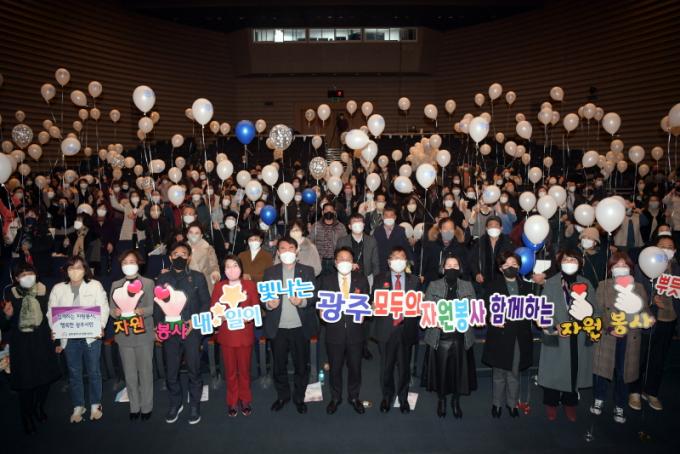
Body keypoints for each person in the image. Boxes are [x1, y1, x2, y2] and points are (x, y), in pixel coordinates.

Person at [154, 241, 211, 425]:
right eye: (176, 254)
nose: (180, 257)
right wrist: (157, 327)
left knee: (194, 370)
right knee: (171, 371)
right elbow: (157, 306)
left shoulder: (198, 277)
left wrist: (194, 321)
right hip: (169, 332)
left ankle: (194, 405)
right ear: (170, 257)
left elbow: (206, 303)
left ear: (189, 257)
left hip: (191, 331)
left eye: (184, 254)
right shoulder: (162, 279)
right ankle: (175, 403)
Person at [1, 262, 61, 434]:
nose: (27, 277)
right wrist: (7, 316)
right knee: (26, 384)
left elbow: (53, 318)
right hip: (22, 345)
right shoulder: (10, 294)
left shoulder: (44, 291)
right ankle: (26, 416)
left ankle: (38, 407)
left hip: (42, 341)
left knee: (45, 380)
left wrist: (57, 341)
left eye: (29, 273)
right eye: (22, 274)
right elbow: (3, 326)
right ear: (16, 278)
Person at [47, 256, 109, 423]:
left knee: (94, 371)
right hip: (69, 338)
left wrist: (101, 326)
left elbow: (103, 307)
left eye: (79, 267)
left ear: (85, 269)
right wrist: (55, 329)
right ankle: (78, 405)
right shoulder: (58, 288)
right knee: (74, 373)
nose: (75, 271)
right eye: (71, 268)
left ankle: (95, 404)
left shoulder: (95, 285)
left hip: (91, 337)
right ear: (66, 270)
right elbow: (51, 312)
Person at [591, 252, 649, 424]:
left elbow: (645, 311)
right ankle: (599, 398)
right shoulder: (603, 285)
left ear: (630, 268)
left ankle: (620, 404)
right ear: (611, 269)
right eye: (617, 265)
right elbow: (597, 313)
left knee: (623, 372)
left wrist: (645, 319)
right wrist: (609, 327)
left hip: (630, 337)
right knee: (602, 370)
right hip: (608, 335)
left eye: (624, 265)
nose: (621, 268)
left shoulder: (639, 287)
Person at [262, 237, 318, 414]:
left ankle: (299, 397)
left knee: (301, 365)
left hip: (300, 326)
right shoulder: (270, 272)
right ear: (278, 252)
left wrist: (302, 301)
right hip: (278, 327)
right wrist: (268, 304)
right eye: (283, 248)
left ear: (297, 250)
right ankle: (283, 396)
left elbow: (314, 296)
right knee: (279, 365)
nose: (287, 251)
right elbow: (263, 297)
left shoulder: (307, 271)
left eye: (291, 248)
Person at [537, 249, 594, 422]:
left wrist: (589, 321)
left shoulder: (586, 283)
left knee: (574, 369)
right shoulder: (551, 283)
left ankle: (570, 403)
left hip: (579, 335)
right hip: (558, 333)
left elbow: (595, 309)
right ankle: (551, 403)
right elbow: (543, 309)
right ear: (560, 263)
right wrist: (554, 326)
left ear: (580, 263)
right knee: (553, 369)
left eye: (573, 260)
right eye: (566, 259)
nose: (569, 262)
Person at [422, 254, 477, 418]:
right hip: (440, 335)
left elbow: (474, 309)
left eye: (455, 265)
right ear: (443, 268)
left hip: (461, 336)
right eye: (448, 265)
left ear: (460, 268)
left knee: (459, 371)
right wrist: (434, 320)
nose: (452, 268)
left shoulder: (467, 285)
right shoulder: (434, 285)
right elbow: (427, 308)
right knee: (441, 371)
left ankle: (455, 400)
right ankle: (442, 399)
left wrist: (469, 317)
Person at [318, 247, 370, 415]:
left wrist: (367, 311)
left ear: (353, 262)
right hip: (334, 332)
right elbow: (322, 304)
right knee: (335, 368)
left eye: (348, 259)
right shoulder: (327, 280)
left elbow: (367, 302)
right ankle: (335, 397)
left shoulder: (361, 280)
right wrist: (322, 312)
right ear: (335, 263)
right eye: (341, 259)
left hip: (356, 332)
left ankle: (354, 397)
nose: (345, 262)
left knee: (355, 367)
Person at [482, 251, 533, 418]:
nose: (511, 267)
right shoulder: (492, 286)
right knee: (498, 373)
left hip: (519, 335)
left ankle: (512, 404)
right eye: (506, 264)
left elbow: (533, 310)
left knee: (514, 372)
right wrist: (491, 318)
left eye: (514, 264)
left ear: (519, 267)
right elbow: (485, 308)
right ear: (500, 268)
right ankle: (496, 404)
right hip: (500, 334)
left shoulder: (527, 287)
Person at [630, 235, 679, 411]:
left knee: (659, 358)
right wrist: (651, 299)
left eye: (670, 247)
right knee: (641, 356)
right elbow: (636, 290)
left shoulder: (677, 269)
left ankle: (651, 391)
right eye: (662, 246)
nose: (666, 249)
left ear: (675, 251)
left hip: (669, 319)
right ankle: (634, 391)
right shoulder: (643, 265)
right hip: (648, 318)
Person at [109, 250, 156, 421]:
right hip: (124, 334)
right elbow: (111, 309)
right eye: (125, 262)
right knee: (129, 374)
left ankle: (147, 406)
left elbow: (153, 307)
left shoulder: (148, 283)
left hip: (144, 333)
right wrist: (115, 312)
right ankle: (134, 406)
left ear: (138, 263)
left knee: (145, 372)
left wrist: (142, 311)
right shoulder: (116, 284)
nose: (128, 265)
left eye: (131, 261)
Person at [373, 247, 420, 413]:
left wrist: (420, 305)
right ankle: (387, 397)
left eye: (402, 257)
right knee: (386, 367)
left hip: (406, 329)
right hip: (386, 329)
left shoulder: (415, 280)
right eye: (395, 257)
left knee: (404, 367)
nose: (398, 260)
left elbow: (419, 304)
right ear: (389, 261)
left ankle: (403, 398)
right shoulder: (379, 279)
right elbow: (372, 300)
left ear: (406, 261)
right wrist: (373, 306)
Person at [211, 255, 260, 417]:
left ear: (241, 268)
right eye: (228, 267)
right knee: (230, 371)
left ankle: (245, 398)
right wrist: (221, 316)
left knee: (244, 370)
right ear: (224, 270)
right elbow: (213, 310)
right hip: (227, 335)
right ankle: (232, 400)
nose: (232, 270)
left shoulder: (249, 285)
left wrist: (249, 317)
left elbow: (256, 308)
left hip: (244, 334)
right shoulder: (219, 287)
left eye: (235, 266)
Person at [471, 215, 514, 299]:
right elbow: (473, 260)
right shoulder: (480, 243)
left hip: (503, 283)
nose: (493, 227)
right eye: (491, 225)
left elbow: (513, 261)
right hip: (483, 283)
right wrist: (476, 274)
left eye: (496, 225)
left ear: (501, 228)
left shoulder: (508, 243)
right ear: (486, 228)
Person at [309, 202, 347, 274]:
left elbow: (345, 243)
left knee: (334, 280)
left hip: (335, 260)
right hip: (320, 260)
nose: (329, 212)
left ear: (334, 212)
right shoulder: (316, 226)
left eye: (331, 210)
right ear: (323, 212)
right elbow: (310, 241)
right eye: (326, 210)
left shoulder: (341, 226)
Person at [372, 206, 413, 272]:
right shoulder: (377, 231)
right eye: (386, 215)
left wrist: (409, 263)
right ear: (383, 217)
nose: (389, 218)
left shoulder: (401, 230)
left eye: (391, 215)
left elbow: (406, 247)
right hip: (381, 266)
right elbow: (374, 250)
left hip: (397, 265)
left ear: (395, 217)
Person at [186, 222, 221, 294]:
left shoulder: (208, 248)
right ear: (187, 234)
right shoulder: (182, 248)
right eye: (191, 232)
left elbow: (214, 265)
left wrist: (215, 273)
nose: (193, 235)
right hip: (187, 282)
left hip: (205, 282)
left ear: (201, 235)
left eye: (196, 233)